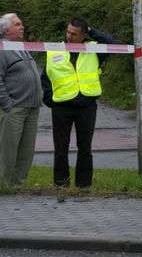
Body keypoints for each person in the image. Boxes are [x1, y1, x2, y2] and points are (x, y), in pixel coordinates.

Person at [41, 17, 117, 189]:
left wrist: (91, 31)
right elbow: (45, 77)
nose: (69, 36)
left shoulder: (93, 49)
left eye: (74, 34)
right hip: (61, 106)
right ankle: (61, 184)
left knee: (85, 148)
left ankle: (83, 185)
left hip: (86, 106)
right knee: (61, 148)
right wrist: (50, 100)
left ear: (83, 35)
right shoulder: (55, 49)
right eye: (68, 32)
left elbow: (112, 43)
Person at [0, 14, 41, 187]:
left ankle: (18, 185)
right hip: (14, 108)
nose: (22, 27)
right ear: (6, 30)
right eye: (18, 24)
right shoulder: (2, 49)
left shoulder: (22, 47)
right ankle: (4, 185)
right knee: (7, 151)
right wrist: (7, 104)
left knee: (26, 151)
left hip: (32, 107)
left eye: (21, 23)